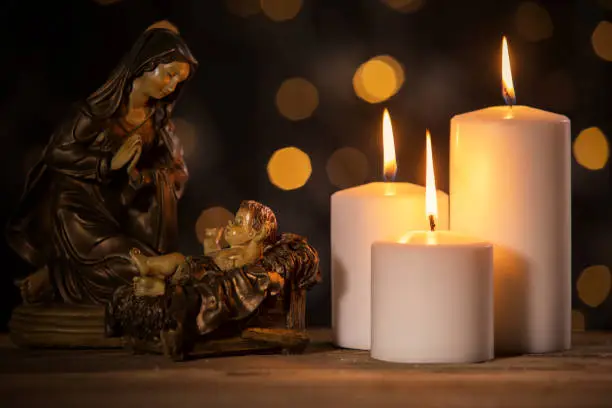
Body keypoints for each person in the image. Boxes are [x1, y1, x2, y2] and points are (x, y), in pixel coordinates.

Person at [6, 21, 198, 305]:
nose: (171, 87)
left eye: (178, 82)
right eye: (169, 75)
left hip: (125, 217)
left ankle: (62, 277)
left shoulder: (160, 127)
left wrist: (145, 178)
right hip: (81, 213)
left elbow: (177, 173)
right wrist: (109, 163)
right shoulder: (97, 113)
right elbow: (57, 153)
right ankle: (60, 278)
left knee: (159, 269)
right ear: (146, 64)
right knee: (143, 271)